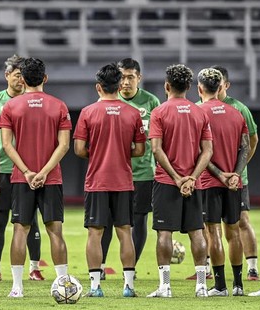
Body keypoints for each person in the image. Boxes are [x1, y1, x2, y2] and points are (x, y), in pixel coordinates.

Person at [0, 58, 71, 298]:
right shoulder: (59, 105)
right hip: (51, 178)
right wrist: (44, 172)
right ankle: (63, 284)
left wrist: (28, 172)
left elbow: (7, 145)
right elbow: (63, 146)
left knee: (20, 229)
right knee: (55, 230)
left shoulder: (11, 107)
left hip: (22, 178)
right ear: (45, 78)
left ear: (22, 79)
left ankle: (17, 287)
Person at [74, 64, 146, 297]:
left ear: (98, 87)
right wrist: (122, 152)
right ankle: (129, 287)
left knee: (95, 233)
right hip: (124, 181)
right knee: (125, 231)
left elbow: (79, 149)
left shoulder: (87, 112)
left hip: (97, 181)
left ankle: (95, 287)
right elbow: (140, 150)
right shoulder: (133, 113)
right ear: (119, 85)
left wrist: (97, 153)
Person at [147, 64, 213, 298]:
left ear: (167, 86)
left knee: (164, 233)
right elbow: (207, 151)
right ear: (189, 87)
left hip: (167, 182)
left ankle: (165, 287)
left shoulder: (159, 112)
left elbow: (156, 150)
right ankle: (202, 286)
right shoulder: (200, 112)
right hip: (194, 184)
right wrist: (192, 178)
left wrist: (176, 178)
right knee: (197, 232)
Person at [0, 55, 44, 281]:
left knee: (30, 219)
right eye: (17, 75)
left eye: (23, 76)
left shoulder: (32, 101)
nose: (21, 80)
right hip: (2, 169)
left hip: (28, 169)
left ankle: (35, 267)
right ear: (6, 76)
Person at [99, 58, 160, 280]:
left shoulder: (151, 102)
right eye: (122, 77)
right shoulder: (106, 101)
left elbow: (157, 139)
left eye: (130, 77)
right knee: (104, 221)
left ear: (139, 78)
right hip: (112, 173)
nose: (125, 82)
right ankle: (102, 266)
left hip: (142, 173)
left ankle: (131, 268)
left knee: (139, 220)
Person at [196, 68, 250, 297]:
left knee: (213, 232)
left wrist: (220, 175)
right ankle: (238, 285)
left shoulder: (197, 113)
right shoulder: (236, 113)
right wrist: (235, 174)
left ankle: (220, 286)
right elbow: (245, 146)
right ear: (221, 87)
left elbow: (201, 152)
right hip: (233, 183)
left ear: (199, 88)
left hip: (210, 182)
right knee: (234, 231)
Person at [213, 65, 260, 281]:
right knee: (210, 224)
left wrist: (237, 170)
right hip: (211, 178)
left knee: (241, 221)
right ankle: (206, 269)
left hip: (236, 178)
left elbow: (252, 140)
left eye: (219, 81)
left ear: (227, 84)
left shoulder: (239, 108)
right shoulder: (200, 107)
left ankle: (252, 267)